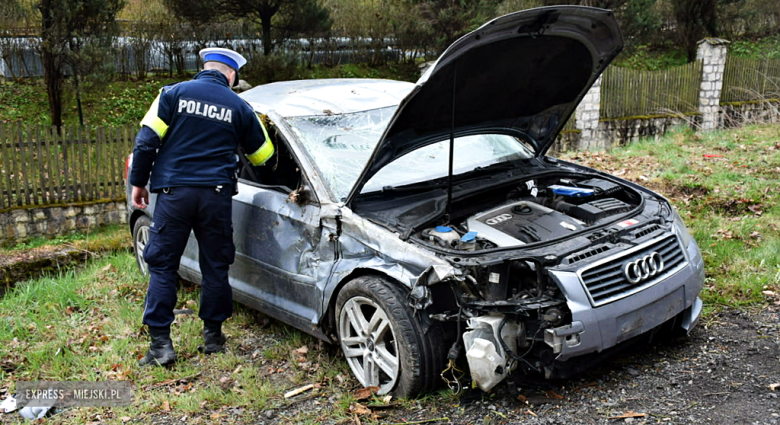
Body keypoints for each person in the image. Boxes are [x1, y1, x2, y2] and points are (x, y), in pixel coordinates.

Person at [128, 47, 274, 367]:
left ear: (204, 67)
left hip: (174, 194)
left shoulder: (171, 94)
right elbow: (264, 156)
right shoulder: (239, 105)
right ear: (231, 75)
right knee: (215, 265)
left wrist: (138, 183)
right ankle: (213, 338)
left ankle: (161, 346)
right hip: (215, 196)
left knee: (163, 264)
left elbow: (146, 141)